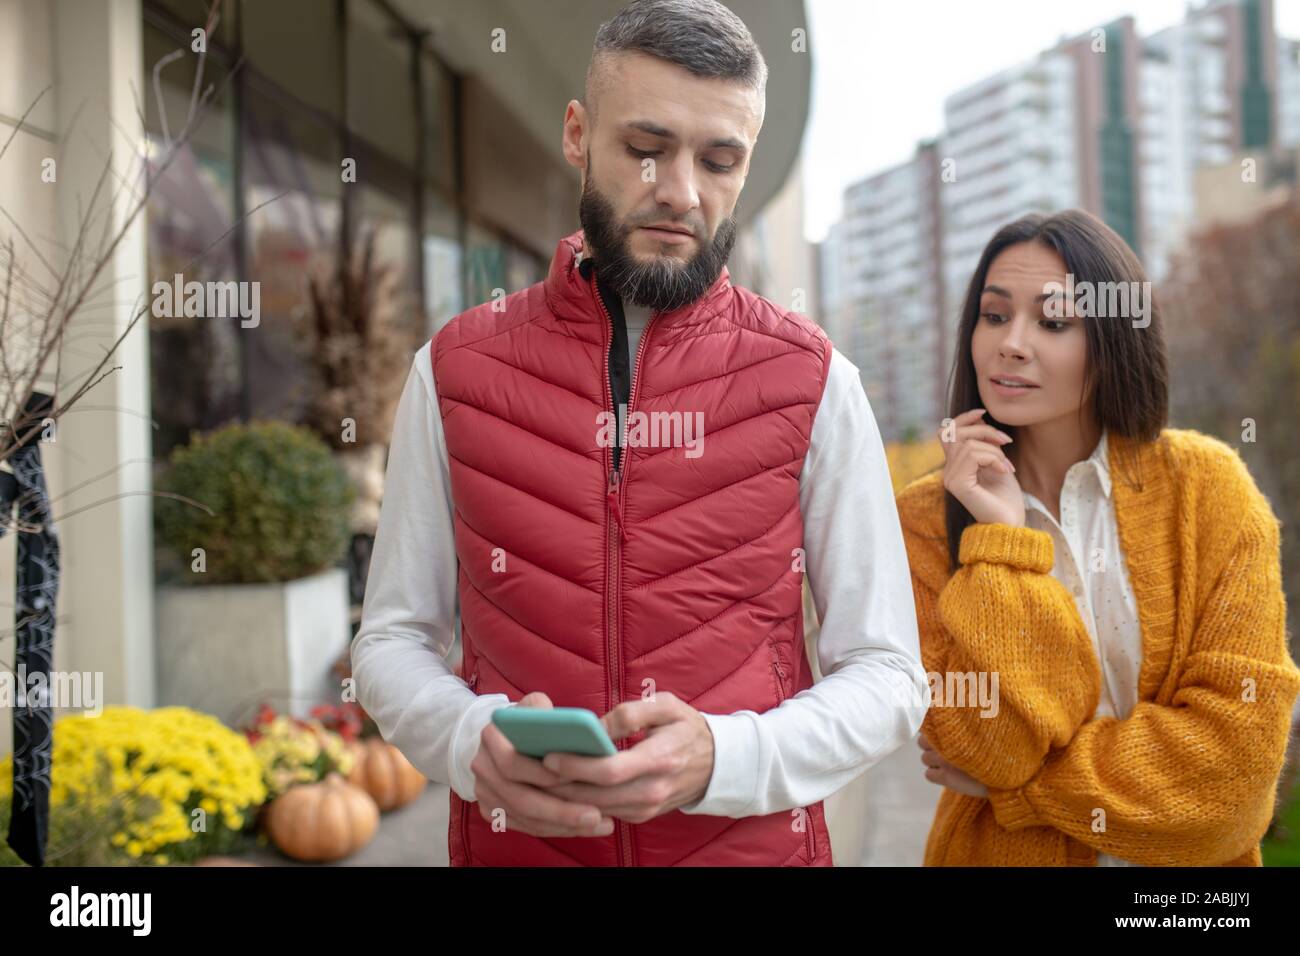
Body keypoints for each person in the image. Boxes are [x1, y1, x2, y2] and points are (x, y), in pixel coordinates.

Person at [351, 0, 927, 867]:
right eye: (645, 148)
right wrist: (469, 741)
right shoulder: (452, 371)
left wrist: (725, 759)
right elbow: (393, 640)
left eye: (719, 159)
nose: (681, 192)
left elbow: (889, 677)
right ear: (579, 135)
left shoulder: (818, 382)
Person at [896, 208, 1300, 866]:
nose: (1011, 343)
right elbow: (982, 746)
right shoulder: (923, 520)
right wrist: (1002, 543)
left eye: (1053, 321)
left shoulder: (1210, 491)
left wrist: (1025, 791)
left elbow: (1232, 782)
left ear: (1115, 341)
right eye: (994, 315)